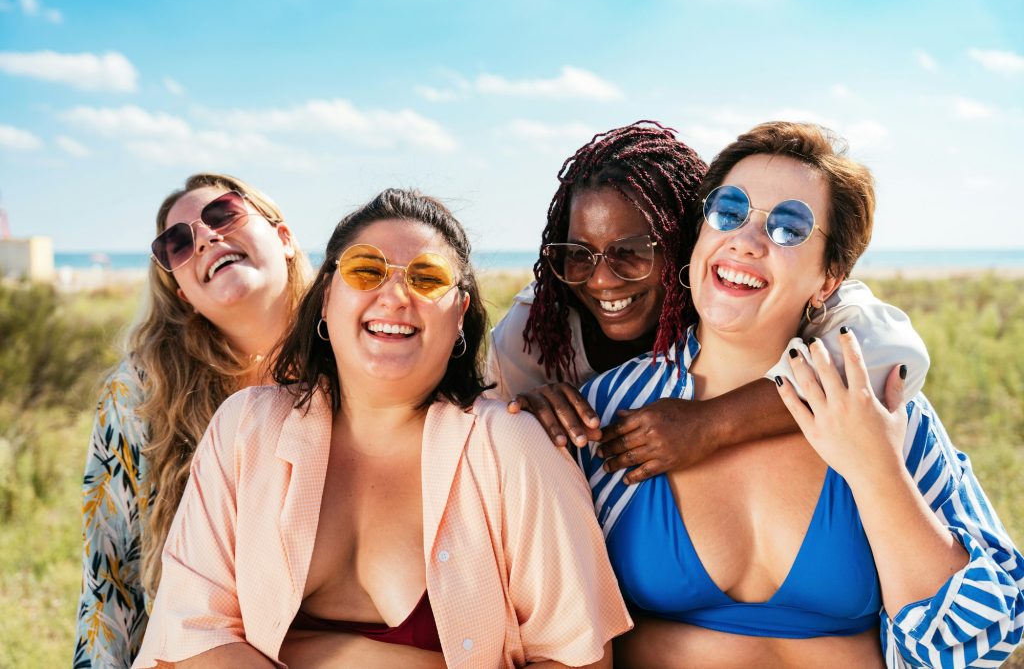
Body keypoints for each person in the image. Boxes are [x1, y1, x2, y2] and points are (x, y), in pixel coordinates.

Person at [572, 122, 1024, 667]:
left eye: (789, 228)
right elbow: (540, 619)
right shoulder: (608, 410)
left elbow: (978, 638)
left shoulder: (883, 408)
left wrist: (876, 467)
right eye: (728, 211)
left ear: (829, 278)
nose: (745, 239)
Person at [131, 189, 631, 668]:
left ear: (460, 314)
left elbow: (577, 657)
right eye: (366, 270)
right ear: (326, 297)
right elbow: (192, 630)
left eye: (427, 278)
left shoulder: (512, 448)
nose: (394, 295)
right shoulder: (246, 427)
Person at [488, 121, 930, 484]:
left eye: (632, 252)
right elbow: (481, 440)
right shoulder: (533, 333)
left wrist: (710, 423)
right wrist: (519, 420)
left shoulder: (744, 297)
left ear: (682, 240)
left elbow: (890, 350)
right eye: (579, 254)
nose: (602, 278)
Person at [74, 174, 312, 669]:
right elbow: (109, 576)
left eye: (223, 213)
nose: (204, 237)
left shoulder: (362, 356)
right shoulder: (140, 394)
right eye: (176, 244)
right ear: (182, 292)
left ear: (284, 238)